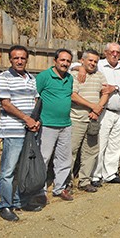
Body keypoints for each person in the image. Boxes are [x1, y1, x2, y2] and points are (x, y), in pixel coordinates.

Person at [0, 45, 42, 221]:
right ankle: (5, 206)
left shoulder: (31, 78)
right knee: (8, 170)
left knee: (23, 169)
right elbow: (6, 104)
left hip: (29, 131)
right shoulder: (4, 78)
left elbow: (36, 100)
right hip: (13, 131)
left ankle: (20, 201)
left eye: (23, 58)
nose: (19, 61)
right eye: (16, 58)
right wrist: (27, 119)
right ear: (10, 60)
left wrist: (36, 120)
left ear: (26, 59)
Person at [37, 48, 74, 201]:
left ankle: (60, 188)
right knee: (43, 158)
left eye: (68, 61)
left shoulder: (70, 78)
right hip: (47, 125)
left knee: (64, 159)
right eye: (62, 60)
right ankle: (39, 190)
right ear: (55, 61)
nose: (65, 63)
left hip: (65, 124)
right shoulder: (44, 77)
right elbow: (35, 97)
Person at [69, 50, 108, 192]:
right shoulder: (75, 75)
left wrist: (99, 107)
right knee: (71, 151)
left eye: (95, 61)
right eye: (90, 60)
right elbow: (73, 96)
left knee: (90, 151)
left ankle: (84, 181)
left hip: (93, 119)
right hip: (77, 118)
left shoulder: (99, 75)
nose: (92, 63)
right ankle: (67, 182)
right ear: (82, 61)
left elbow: (105, 92)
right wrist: (93, 106)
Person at [92, 43, 120, 185]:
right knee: (101, 143)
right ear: (106, 52)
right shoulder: (100, 65)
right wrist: (80, 70)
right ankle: (95, 175)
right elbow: (77, 66)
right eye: (112, 52)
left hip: (119, 111)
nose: (115, 54)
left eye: (117, 52)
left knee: (115, 144)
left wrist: (114, 87)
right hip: (104, 111)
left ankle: (110, 173)